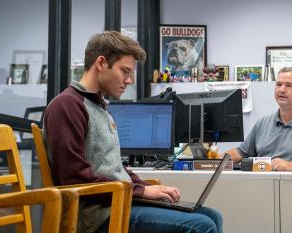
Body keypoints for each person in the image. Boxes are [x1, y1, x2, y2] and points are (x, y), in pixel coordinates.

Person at [43, 31, 222, 233]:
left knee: (213, 216)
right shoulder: (67, 105)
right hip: (96, 217)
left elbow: (114, 168)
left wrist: (143, 186)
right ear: (101, 63)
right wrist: (141, 191)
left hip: (118, 203)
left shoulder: (100, 107)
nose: (129, 80)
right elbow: (73, 176)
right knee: (202, 226)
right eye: (125, 71)